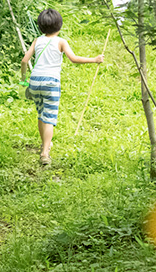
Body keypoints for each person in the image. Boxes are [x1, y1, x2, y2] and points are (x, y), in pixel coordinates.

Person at [21, 9, 105, 166]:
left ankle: (45, 143)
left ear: (40, 26)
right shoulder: (61, 42)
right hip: (51, 82)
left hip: (35, 81)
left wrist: (23, 79)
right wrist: (95, 59)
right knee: (50, 117)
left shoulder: (37, 41)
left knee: (41, 114)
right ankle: (45, 153)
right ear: (59, 25)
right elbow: (73, 59)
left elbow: (25, 60)